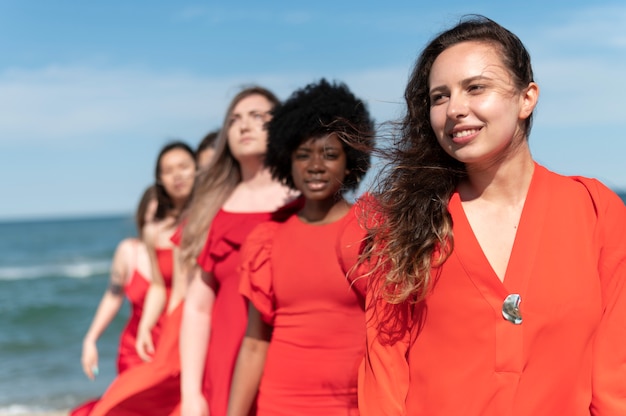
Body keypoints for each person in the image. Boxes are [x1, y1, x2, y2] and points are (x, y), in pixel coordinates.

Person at [358, 15, 626, 415]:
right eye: (439, 97)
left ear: (526, 98)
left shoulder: (595, 209)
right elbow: (384, 375)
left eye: (475, 88)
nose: (455, 109)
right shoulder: (404, 223)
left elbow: (615, 375)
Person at [227, 79, 374, 416]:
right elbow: (253, 343)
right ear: (287, 163)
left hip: (357, 403)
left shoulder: (373, 230)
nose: (315, 165)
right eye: (303, 155)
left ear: (350, 162)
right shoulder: (267, 240)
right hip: (280, 403)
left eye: (330, 154)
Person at [178, 86, 300, 416]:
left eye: (257, 116)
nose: (243, 126)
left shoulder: (306, 200)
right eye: (234, 120)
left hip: (292, 368)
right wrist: (190, 394)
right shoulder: (213, 209)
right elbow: (198, 310)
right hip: (225, 368)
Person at [85, 140, 197, 416]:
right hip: (144, 341)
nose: (178, 175)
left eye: (184, 166)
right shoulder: (138, 245)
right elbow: (122, 294)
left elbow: (183, 287)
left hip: (183, 327)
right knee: (133, 398)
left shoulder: (200, 219)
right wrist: (92, 338)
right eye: (169, 170)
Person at [79, 185, 158, 381]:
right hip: (134, 351)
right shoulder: (128, 251)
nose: (158, 225)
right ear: (142, 218)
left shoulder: (182, 252)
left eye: (164, 217)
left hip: (174, 348)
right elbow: (113, 296)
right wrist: (91, 339)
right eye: (153, 217)